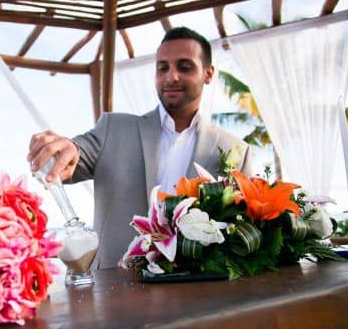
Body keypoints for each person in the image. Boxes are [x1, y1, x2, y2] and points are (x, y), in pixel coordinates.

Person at [28, 27, 253, 270]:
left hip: (198, 293)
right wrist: (64, 151)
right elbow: (77, 155)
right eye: (162, 67)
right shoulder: (113, 128)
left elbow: (244, 234)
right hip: (114, 289)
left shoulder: (235, 151)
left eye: (184, 67)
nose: (171, 77)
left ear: (208, 74)